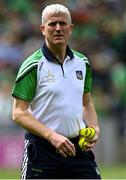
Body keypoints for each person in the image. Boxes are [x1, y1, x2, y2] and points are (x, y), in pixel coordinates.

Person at [12, 3, 101, 179]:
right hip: (42, 151)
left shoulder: (82, 63)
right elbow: (18, 112)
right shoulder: (33, 65)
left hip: (77, 150)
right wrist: (52, 136)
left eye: (62, 23)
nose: (58, 28)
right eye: (52, 24)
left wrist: (94, 127)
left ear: (71, 28)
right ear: (43, 29)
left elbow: (87, 103)